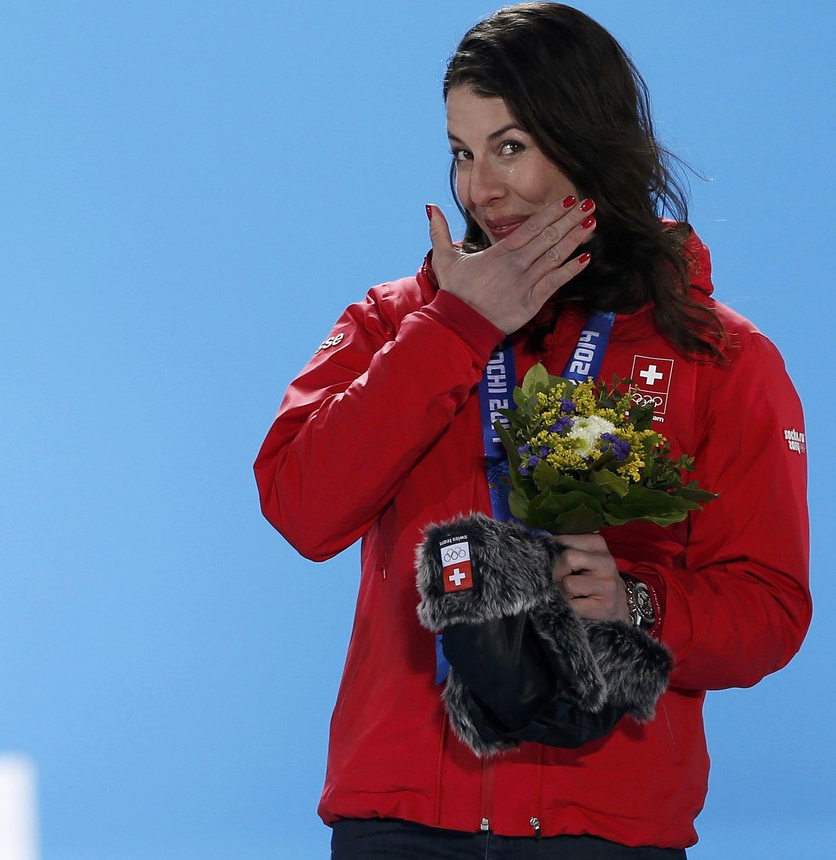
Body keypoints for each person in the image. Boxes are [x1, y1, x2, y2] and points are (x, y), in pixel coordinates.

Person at [253, 3, 808, 857]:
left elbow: (769, 608)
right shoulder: (394, 325)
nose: (481, 188)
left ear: (588, 141)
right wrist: (453, 329)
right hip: (400, 821)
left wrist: (639, 604)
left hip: (601, 827)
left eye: (511, 146)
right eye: (462, 153)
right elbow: (300, 506)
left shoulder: (717, 356)